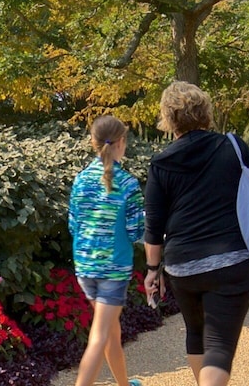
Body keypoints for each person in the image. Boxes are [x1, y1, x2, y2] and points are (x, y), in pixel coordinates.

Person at [141, 81, 249, 386]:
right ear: (205, 112)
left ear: (169, 118)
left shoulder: (161, 162)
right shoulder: (232, 147)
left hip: (182, 267)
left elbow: (154, 225)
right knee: (219, 346)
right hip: (232, 260)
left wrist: (151, 270)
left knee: (197, 335)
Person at [68, 116, 146, 386]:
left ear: (94, 143)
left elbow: (73, 224)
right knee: (100, 335)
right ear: (121, 142)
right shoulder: (128, 184)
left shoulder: (80, 181)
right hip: (113, 270)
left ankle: (124, 384)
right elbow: (136, 231)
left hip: (85, 267)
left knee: (111, 331)